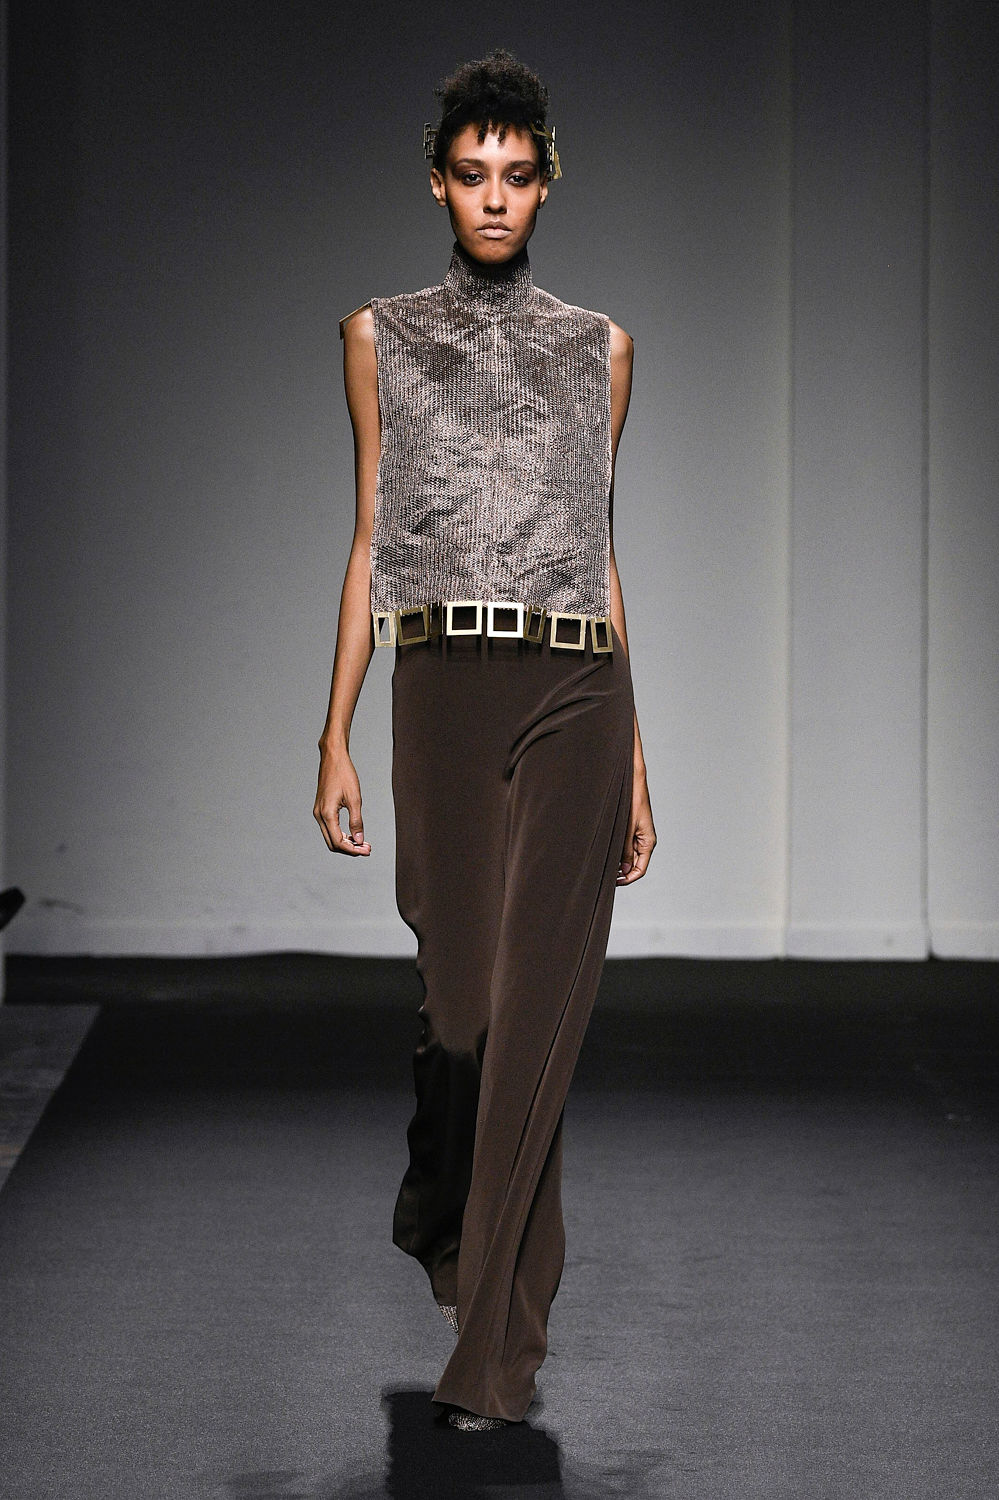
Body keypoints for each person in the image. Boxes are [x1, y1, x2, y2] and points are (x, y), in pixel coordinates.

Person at [313, 47, 656, 1432]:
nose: (496, 197)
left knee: (535, 1023)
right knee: (459, 1017)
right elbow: (366, 537)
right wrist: (332, 735)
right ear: (439, 184)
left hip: (578, 691)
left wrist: (639, 760)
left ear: (547, 183)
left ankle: (498, 1355)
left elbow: (600, 552)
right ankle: (442, 1209)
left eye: (518, 175)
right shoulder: (378, 337)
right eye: (473, 175)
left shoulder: (601, 349)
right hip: (441, 684)